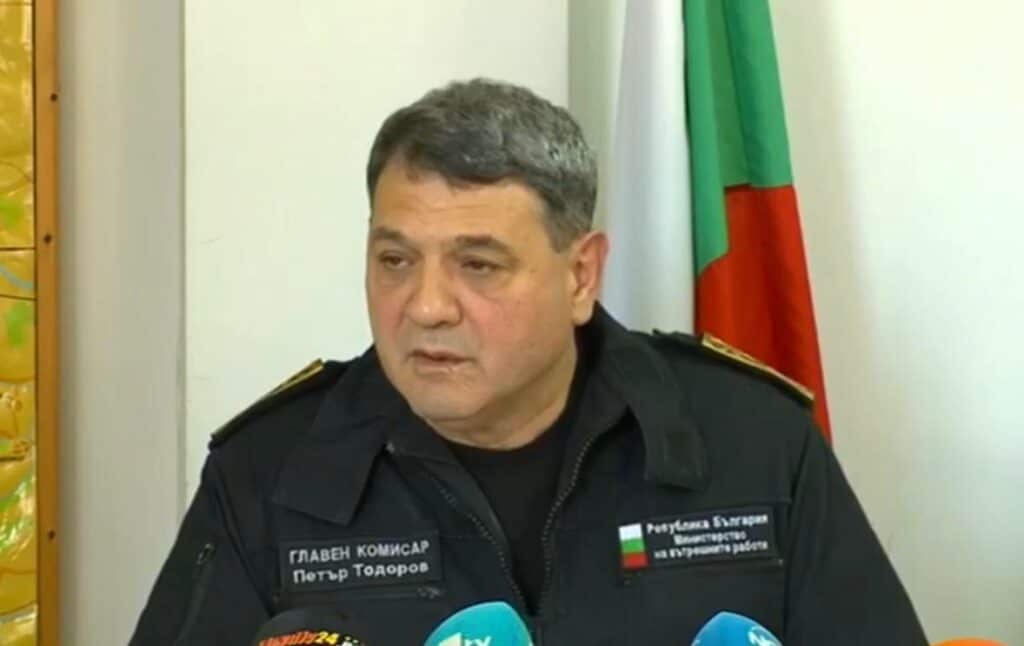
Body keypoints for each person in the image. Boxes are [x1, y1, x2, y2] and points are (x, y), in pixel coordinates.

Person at [129, 79, 928, 645]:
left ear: (580, 275)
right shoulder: (266, 474)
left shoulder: (755, 443)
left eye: (477, 265)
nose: (426, 306)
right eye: (395, 260)